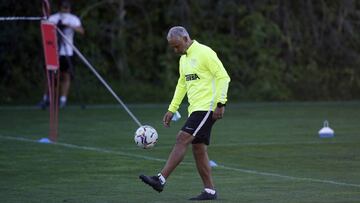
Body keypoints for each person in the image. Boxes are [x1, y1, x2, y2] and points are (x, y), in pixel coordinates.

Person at [139, 26, 231, 201]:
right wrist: (172, 109)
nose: (175, 50)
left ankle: (160, 179)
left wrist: (221, 103)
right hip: (195, 109)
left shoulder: (205, 52)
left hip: (208, 107)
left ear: (186, 38)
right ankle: (210, 191)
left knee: (182, 137)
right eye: (172, 47)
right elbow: (182, 85)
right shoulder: (183, 60)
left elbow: (223, 77)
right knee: (198, 148)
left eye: (177, 46)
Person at [39, 0, 84, 109]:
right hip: (53, 51)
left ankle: (63, 100)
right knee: (51, 76)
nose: (65, 9)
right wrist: (55, 26)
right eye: (63, 7)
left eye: (67, 7)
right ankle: (46, 98)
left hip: (67, 51)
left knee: (66, 76)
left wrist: (68, 25)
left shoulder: (73, 19)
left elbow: (81, 31)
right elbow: (45, 31)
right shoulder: (53, 18)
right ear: (60, 8)